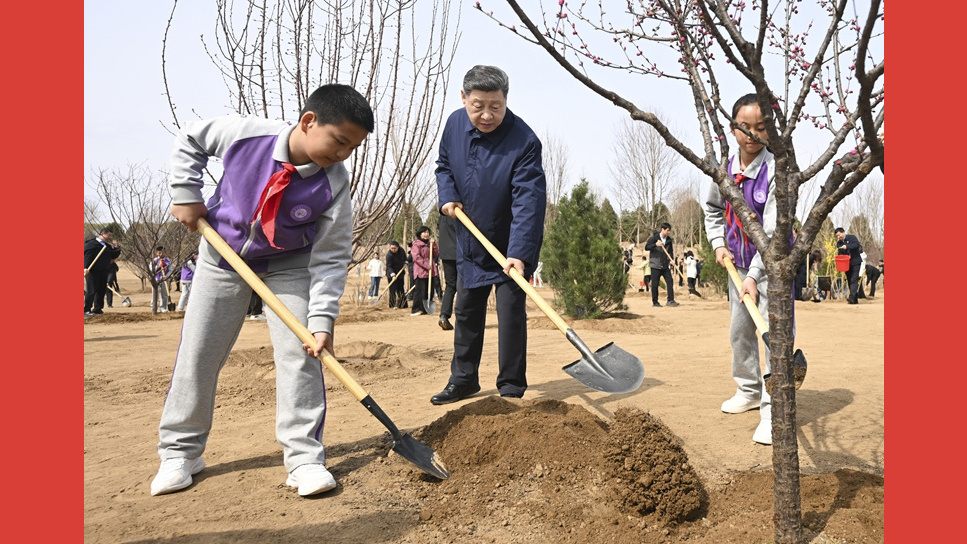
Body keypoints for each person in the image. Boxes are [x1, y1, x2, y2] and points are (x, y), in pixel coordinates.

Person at [150, 84, 374, 498]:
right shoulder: (247, 134)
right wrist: (185, 193)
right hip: (221, 257)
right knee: (199, 352)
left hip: (289, 267)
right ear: (309, 122)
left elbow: (331, 255)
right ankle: (180, 452)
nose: (343, 154)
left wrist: (321, 319)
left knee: (302, 353)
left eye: (352, 148)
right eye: (339, 141)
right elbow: (191, 138)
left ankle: (304, 459)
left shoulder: (334, 182)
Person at [430, 64, 547, 404]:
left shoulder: (524, 141)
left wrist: (519, 253)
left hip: (510, 244)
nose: (486, 115)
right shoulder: (454, 124)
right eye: (478, 106)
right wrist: (447, 195)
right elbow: (443, 166)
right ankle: (463, 379)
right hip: (470, 237)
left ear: (506, 100)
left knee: (510, 315)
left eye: (495, 106)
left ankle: (511, 385)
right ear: (463, 97)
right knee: (467, 310)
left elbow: (529, 201)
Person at [703, 93, 782, 446]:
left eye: (761, 127)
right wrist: (718, 243)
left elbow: (772, 230)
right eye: (744, 127)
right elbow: (712, 209)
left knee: (773, 335)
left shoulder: (776, 170)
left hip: (772, 267)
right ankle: (749, 390)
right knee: (740, 330)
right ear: (733, 128)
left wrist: (754, 275)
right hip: (735, 263)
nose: (752, 134)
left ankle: (773, 410)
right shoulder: (725, 170)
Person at [84, 228, 122, 316]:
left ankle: (98, 308)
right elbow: (87, 256)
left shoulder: (107, 246)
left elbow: (113, 256)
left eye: (111, 235)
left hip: (104, 271)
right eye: (109, 235)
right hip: (92, 270)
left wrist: (117, 248)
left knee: (101, 290)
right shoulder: (91, 244)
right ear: (102, 234)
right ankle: (86, 309)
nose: (110, 237)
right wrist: (85, 267)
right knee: (92, 290)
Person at [644, 223, 679, 308]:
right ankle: (655, 302)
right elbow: (647, 247)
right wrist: (655, 245)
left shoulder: (669, 240)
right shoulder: (655, 238)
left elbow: (670, 252)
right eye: (667, 230)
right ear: (662, 229)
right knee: (655, 284)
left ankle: (670, 300)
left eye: (669, 231)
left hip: (665, 265)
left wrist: (671, 260)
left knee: (670, 281)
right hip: (655, 265)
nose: (668, 232)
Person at [409, 226, 438, 316]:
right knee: (420, 291)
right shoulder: (416, 244)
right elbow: (416, 257)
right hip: (421, 270)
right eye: (424, 232)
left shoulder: (430, 244)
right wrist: (427, 266)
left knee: (430, 290)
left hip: (430, 271)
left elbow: (436, 254)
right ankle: (416, 309)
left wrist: (434, 245)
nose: (426, 234)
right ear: (420, 234)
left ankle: (425, 309)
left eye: (427, 232)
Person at [437, 212, 458, 330]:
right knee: (464, 286)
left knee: (450, 285)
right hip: (459, 253)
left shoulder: (442, 215)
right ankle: (463, 318)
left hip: (445, 254)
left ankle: (444, 315)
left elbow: (438, 226)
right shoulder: (457, 212)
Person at [835, 227, 863, 304]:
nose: (838, 237)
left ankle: (851, 297)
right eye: (837, 236)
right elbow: (840, 253)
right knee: (850, 280)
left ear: (843, 232)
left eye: (839, 235)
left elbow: (857, 245)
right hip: (846, 264)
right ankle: (854, 298)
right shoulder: (839, 243)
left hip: (855, 262)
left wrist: (847, 246)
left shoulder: (852, 237)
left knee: (854, 279)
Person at [148, 246, 173, 313]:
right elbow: (151, 270)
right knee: (155, 294)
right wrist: (158, 266)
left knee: (164, 294)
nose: (161, 254)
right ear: (157, 253)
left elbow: (171, 270)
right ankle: (154, 306)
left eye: (163, 252)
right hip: (156, 279)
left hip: (165, 279)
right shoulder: (154, 261)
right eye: (159, 253)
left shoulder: (168, 260)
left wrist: (167, 276)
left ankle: (163, 307)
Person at [385, 241, 407, 309]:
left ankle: (402, 305)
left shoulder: (401, 251)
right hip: (391, 274)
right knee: (392, 290)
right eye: (391, 248)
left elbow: (405, 258)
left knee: (400, 289)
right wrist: (393, 275)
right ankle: (392, 305)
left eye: (394, 248)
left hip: (400, 273)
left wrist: (405, 263)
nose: (393, 250)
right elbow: (389, 266)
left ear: (398, 247)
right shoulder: (389, 255)